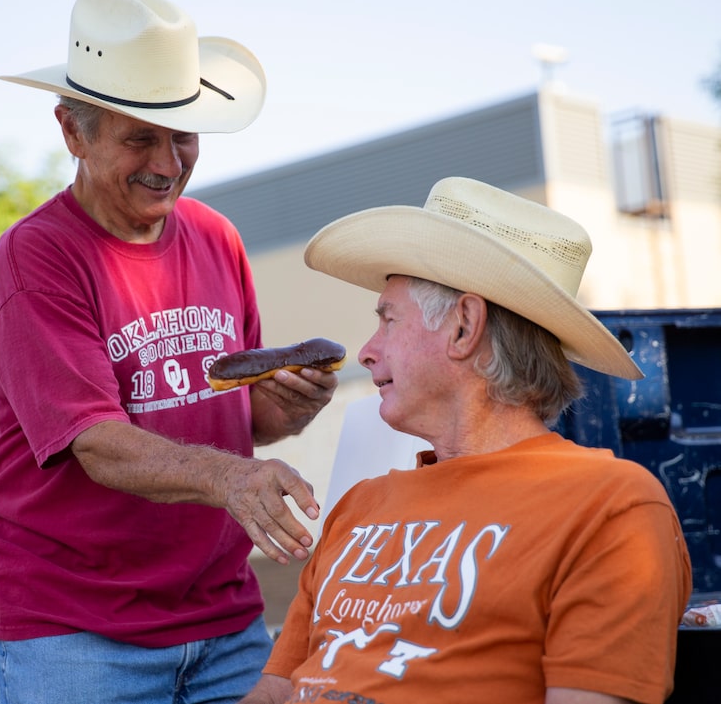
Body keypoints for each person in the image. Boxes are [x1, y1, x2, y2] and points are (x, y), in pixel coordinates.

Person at [0, 0, 338, 704]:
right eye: (140, 137)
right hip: (73, 628)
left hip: (224, 616)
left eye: (183, 135)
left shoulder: (217, 236)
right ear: (73, 132)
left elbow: (238, 415)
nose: (169, 162)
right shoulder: (36, 256)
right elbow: (96, 441)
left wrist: (290, 404)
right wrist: (232, 480)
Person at [240, 177, 692, 704]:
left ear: (463, 327)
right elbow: (274, 691)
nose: (365, 352)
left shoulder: (610, 505)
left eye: (387, 320)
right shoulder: (358, 506)